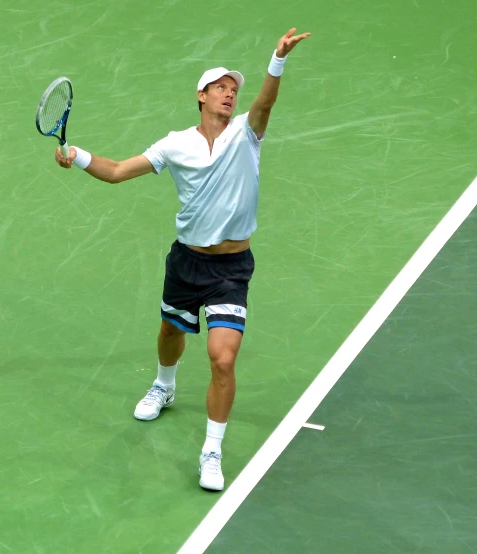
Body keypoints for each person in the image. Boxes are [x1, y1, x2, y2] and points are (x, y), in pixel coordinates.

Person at [55, 28, 311, 491]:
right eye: (221, 87)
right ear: (201, 95)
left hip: (232, 270)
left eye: (234, 89)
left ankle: (211, 449)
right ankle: (164, 385)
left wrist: (278, 59)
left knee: (222, 360)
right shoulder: (175, 144)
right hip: (187, 263)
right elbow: (116, 171)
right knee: (171, 331)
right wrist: (76, 155)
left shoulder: (247, 134)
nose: (230, 94)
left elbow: (266, 104)